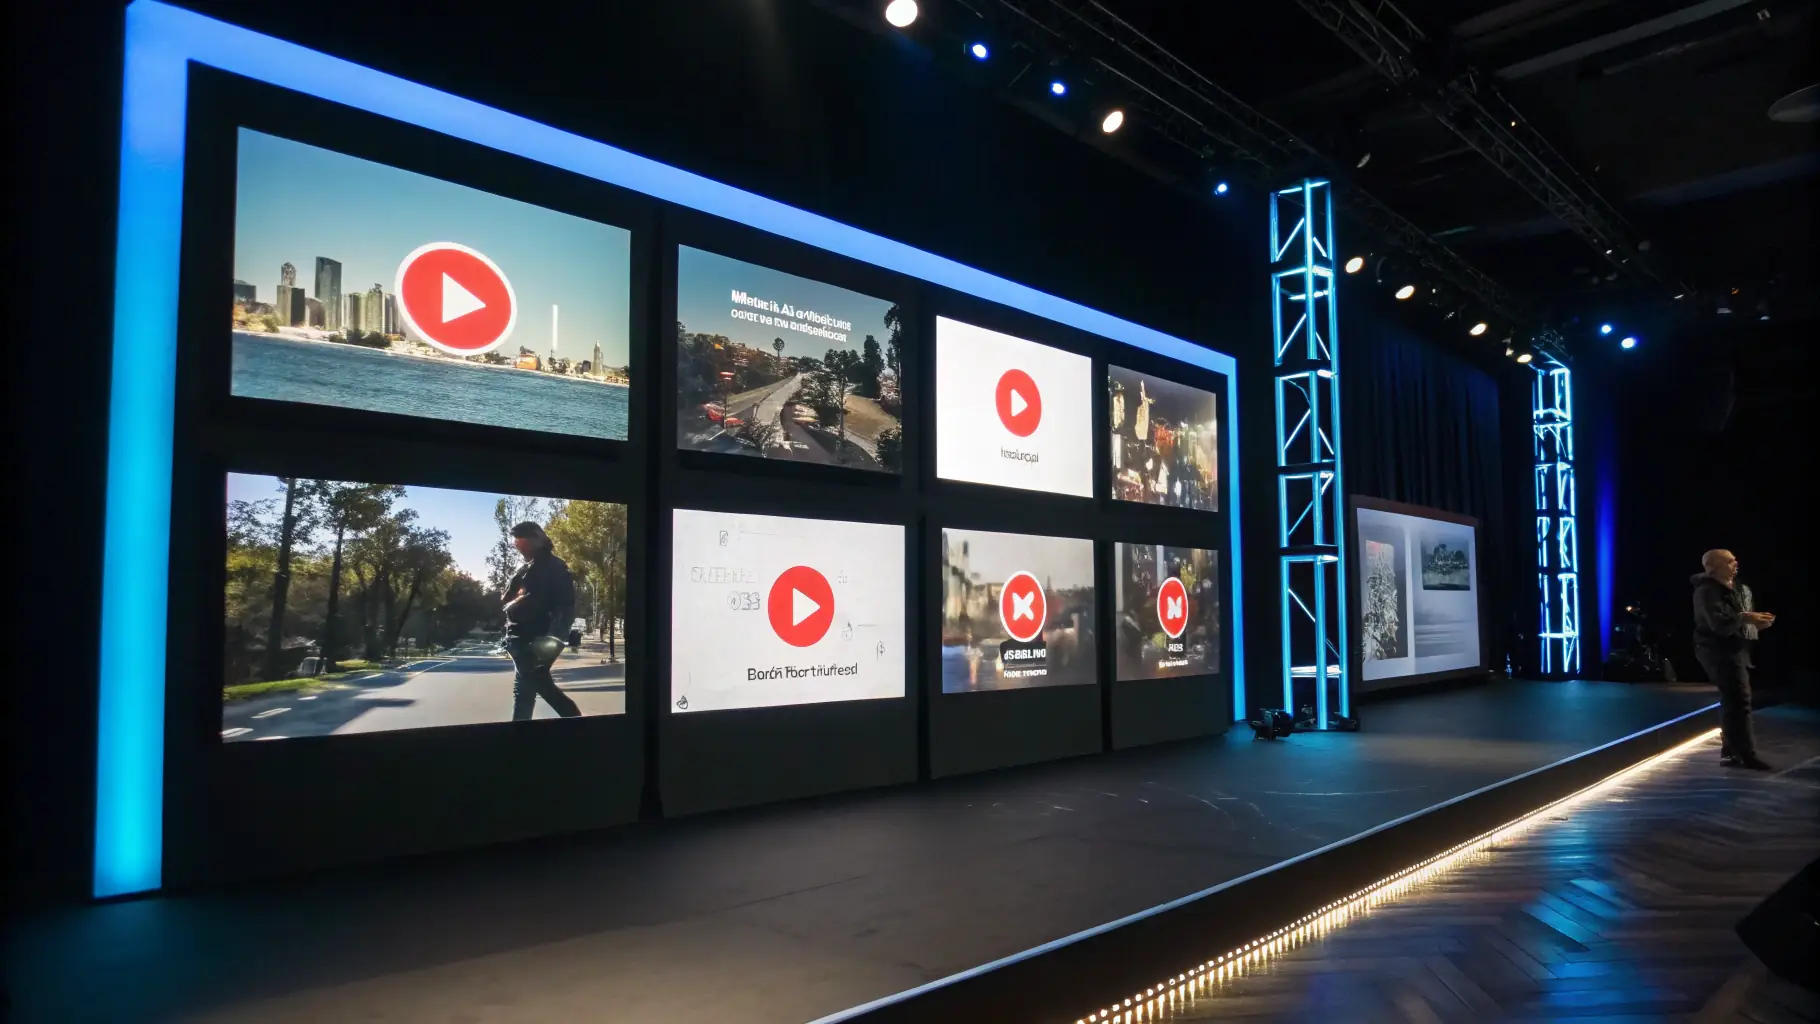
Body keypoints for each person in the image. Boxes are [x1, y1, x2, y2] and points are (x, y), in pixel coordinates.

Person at [1690, 549, 1775, 769]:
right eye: (1729, 561)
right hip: (1717, 651)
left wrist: (1754, 622)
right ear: (1714, 566)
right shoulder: (1707, 591)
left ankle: (1733, 752)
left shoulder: (1730, 589)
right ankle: (1744, 754)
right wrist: (1746, 617)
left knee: (1735, 700)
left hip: (1732, 650)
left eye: (1735, 560)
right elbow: (1719, 625)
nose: (1735, 564)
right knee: (1738, 700)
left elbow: (1730, 623)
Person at [500, 521, 582, 721]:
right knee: (526, 690)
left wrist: (553, 638)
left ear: (536, 539)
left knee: (537, 686)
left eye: (522, 541)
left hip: (536, 640)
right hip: (519, 637)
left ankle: (577, 722)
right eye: (517, 542)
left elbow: (565, 605)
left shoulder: (555, 567)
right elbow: (507, 597)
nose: (518, 547)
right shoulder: (526, 568)